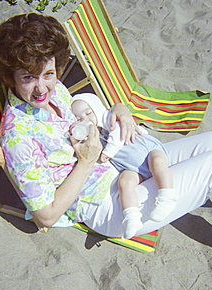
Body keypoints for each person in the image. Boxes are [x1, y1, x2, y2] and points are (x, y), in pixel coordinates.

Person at [0, 12, 212, 280]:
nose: (41, 87)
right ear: (11, 77)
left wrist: (118, 108)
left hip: (119, 164)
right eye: (28, 78)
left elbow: (89, 118)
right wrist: (87, 161)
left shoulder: (57, 93)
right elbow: (46, 215)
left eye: (48, 74)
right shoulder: (19, 137)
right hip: (109, 204)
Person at [71, 93, 176, 239]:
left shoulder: (108, 119)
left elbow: (117, 135)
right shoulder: (94, 135)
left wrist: (107, 152)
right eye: (78, 118)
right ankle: (131, 217)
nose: (85, 119)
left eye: (88, 113)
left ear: (96, 109)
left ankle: (166, 198)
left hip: (148, 151)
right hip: (131, 167)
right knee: (125, 183)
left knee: (158, 162)